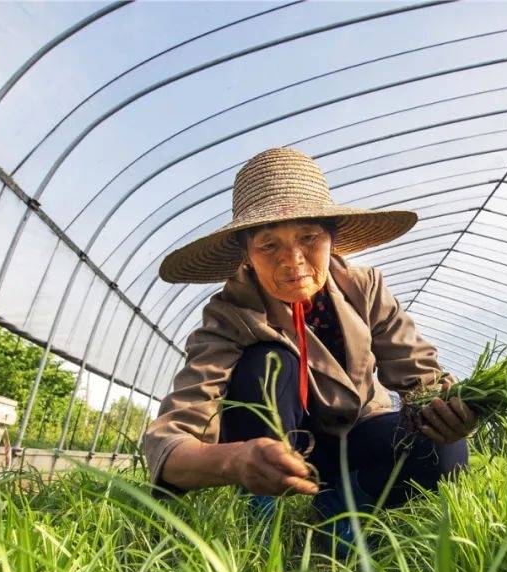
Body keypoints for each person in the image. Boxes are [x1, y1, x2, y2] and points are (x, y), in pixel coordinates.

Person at [142, 147, 475, 540]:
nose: (293, 260)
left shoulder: (365, 288)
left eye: (309, 238)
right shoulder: (229, 314)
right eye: (269, 245)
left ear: (332, 239)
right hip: (273, 455)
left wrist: (448, 409)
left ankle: (340, 506)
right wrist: (236, 460)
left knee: (446, 452)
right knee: (269, 360)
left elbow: (421, 379)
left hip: (356, 436)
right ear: (246, 255)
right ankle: (264, 512)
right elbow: (171, 439)